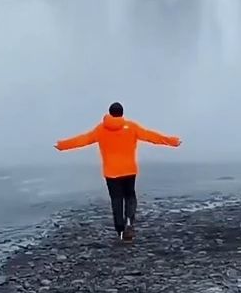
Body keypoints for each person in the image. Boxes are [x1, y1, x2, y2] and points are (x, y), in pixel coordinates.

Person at [54, 101, 181, 241]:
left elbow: (82, 140)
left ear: (109, 113)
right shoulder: (132, 127)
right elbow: (151, 137)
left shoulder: (100, 129)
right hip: (129, 170)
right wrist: (172, 142)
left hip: (111, 172)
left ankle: (120, 230)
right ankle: (129, 222)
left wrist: (62, 145)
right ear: (122, 113)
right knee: (130, 196)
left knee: (116, 200)